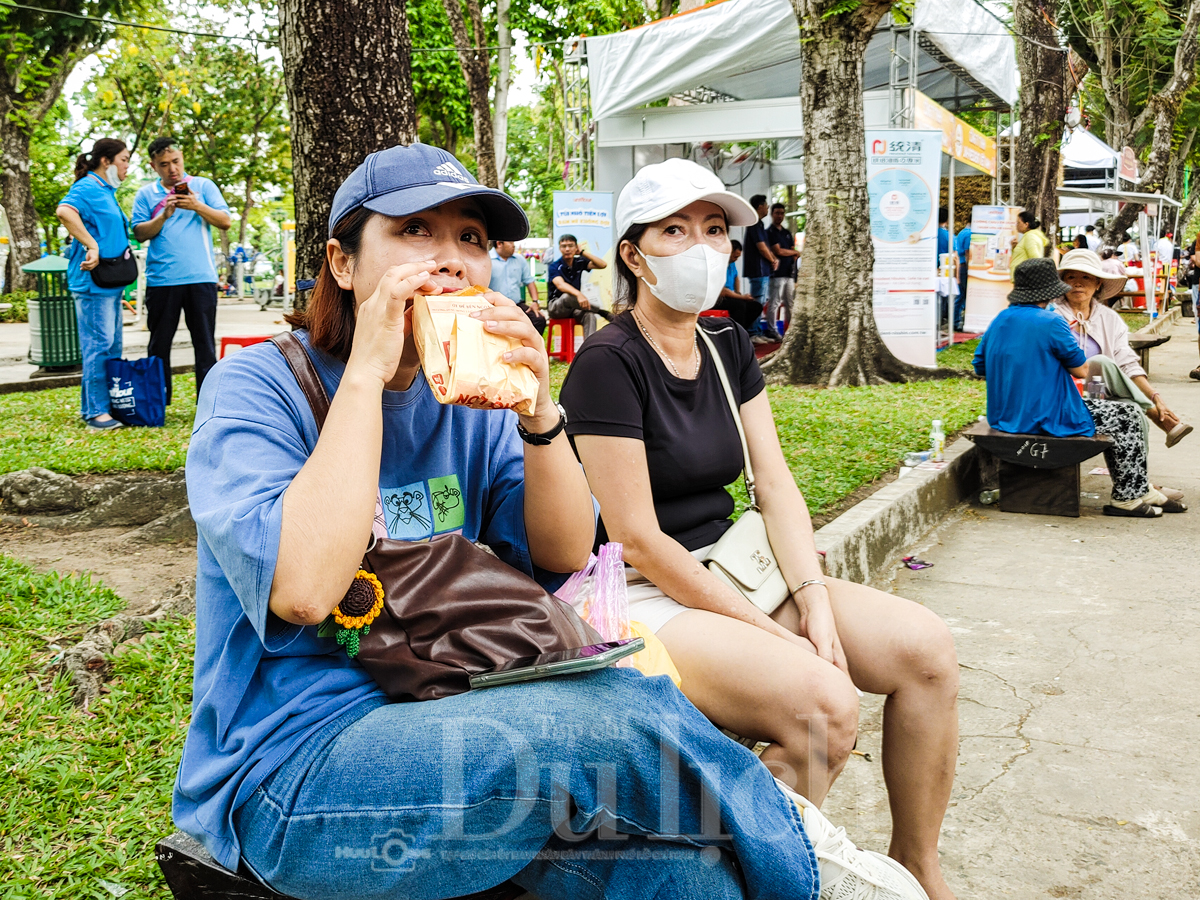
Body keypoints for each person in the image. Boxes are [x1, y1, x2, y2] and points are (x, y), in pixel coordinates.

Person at [173, 141, 928, 900]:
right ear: (342, 263)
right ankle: (814, 866)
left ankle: (791, 859)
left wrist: (538, 409)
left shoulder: (468, 402)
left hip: (449, 716)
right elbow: (304, 592)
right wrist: (368, 371)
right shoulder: (256, 387)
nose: (450, 260)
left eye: (470, 238)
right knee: (605, 710)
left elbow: (566, 551)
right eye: (414, 231)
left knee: (688, 881)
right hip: (295, 771)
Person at [559, 157, 961, 900]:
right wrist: (773, 633)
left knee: (926, 650)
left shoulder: (726, 344)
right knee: (824, 705)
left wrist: (810, 598)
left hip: (734, 569)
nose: (702, 246)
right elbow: (638, 538)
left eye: (715, 230)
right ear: (633, 255)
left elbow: (773, 483)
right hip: (642, 594)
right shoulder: (606, 362)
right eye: (675, 231)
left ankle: (917, 865)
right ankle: (765, 880)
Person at [973, 258, 1178, 517]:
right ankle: (1128, 495)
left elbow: (979, 366)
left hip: (1003, 416)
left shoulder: (1000, 319)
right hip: (1044, 414)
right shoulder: (1051, 321)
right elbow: (1081, 370)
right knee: (1126, 415)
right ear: (1051, 291)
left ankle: (1138, 488)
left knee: (1120, 413)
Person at [1052, 249, 1192, 449]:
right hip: (1064, 395)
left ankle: (1137, 480)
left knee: (1133, 410)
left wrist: (1155, 395)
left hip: (1100, 395)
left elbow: (1127, 363)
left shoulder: (1108, 319)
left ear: (1098, 282)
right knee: (1100, 363)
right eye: (1071, 277)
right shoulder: (1052, 316)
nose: (1078, 283)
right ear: (1062, 282)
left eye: (1086, 277)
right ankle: (1155, 415)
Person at [132, 136, 232, 404]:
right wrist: (163, 215)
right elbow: (139, 233)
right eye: (164, 164)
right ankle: (157, 400)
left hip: (201, 278)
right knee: (159, 344)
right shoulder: (145, 194)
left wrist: (197, 205)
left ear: (182, 157)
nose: (172, 169)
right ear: (153, 166)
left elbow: (225, 221)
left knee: (204, 345)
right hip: (161, 280)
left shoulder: (202, 186)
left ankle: (208, 402)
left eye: (175, 161)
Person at [54, 138, 132, 430]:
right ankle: (95, 412)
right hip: (91, 283)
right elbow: (64, 212)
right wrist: (92, 245)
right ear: (106, 161)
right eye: (124, 160)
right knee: (98, 345)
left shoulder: (106, 191)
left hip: (110, 282)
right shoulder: (87, 187)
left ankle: (109, 407)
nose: (127, 166)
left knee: (112, 345)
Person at [546, 233, 610, 337]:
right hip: (556, 307)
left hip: (574, 308)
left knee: (590, 316)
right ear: (559, 249)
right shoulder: (555, 266)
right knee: (567, 296)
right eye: (564, 246)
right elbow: (560, 285)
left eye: (571, 246)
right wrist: (578, 294)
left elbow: (602, 265)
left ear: (576, 248)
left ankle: (589, 349)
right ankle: (601, 312)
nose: (567, 249)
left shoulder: (579, 262)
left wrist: (583, 253)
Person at [488, 239, 543, 332]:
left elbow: (529, 281)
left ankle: (531, 345)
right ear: (499, 243)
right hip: (494, 306)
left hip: (516, 304)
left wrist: (535, 302)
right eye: (510, 242)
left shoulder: (519, 259)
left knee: (538, 320)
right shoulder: (487, 259)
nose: (514, 245)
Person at [742, 193, 777, 339]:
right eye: (767, 206)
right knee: (758, 301)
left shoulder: (759, 224)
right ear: (760, 206)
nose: (768, 208)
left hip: (762, 270)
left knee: (761, 300)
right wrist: (773, 260)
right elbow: (762, 247)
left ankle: (757, 331)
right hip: (758, 269)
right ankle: (753, 332)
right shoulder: (754, 223)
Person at [765, 202, 798, 341]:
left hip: (789, 273)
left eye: (782, 213)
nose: (780, 216)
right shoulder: (770, 232)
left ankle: (790, 331)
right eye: (777, 213)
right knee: (775, 302)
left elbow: (792, 251)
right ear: (772, 214)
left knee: (790, 303)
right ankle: (772, 330)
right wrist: (793, 252)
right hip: (776, 273)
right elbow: (778, 251)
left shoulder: (786, 233)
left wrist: (792, 252)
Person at [715, 239, 762, 330]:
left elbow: (736, 278)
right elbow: (723, 291)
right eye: (735, 256)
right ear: (729, 252)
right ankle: (736, 333)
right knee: (739, 305)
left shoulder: (732, 264)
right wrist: (742, 297)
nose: (736, 259)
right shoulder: (718, 265)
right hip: (718, 298)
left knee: (756, 306)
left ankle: (742, 330)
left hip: (731, 295)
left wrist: (738, 292)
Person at [1008, 210, 1048, 281]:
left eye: (1018, 222)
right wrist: (1014, 248)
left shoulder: (1030, 237)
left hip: (1025, 281)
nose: (1016, 225)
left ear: (1026, 224)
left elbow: (1035, 259)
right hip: (1022, 280)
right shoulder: (1028, 236)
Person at [954, 222, 971, 332]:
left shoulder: (962, 232)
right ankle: (957, 321)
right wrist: (971, 268)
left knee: (960, 295)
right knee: (965, 295)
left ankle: (955, 321)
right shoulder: (969, 233)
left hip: (960, 266)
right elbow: (967, 252)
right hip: (965, 266)